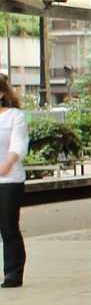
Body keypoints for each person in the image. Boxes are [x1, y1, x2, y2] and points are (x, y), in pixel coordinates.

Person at [0, 73, 28, 288]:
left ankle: (13, 273)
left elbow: (18, 145)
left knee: (8, 226)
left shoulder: (14, 116)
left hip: (9, 181)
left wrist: (6, 165)